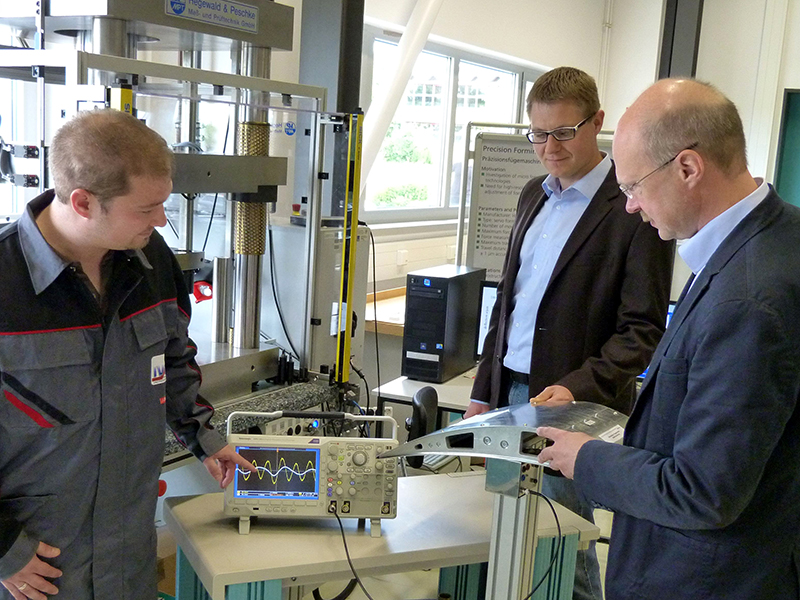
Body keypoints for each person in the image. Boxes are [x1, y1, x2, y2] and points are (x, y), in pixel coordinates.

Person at [538, 78, 800, 600]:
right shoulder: (775, 236)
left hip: (707, 577)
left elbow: (702, 491)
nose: (630, 206)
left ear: (687, 168)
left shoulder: (747, 301)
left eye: (633, 186)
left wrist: (586, 458)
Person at [0, 109, 255, 600]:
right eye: (146, 209)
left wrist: (205, 438)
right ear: (83, 202)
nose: (161, 220)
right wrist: (4, 552)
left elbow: (174, 359)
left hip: (127, 557)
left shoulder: (151, 261)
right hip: (34, 569)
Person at [466, 66, 675, 600]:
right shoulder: (532, 195)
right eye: (538, 134)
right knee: (507, 534)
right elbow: (507, 304)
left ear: (597, 122)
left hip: (571, 408)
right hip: (509, 397)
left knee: (562, 545)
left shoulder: (633, 206)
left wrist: (576, 387)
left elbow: (642, 331)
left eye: (563, 132)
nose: (549, 148)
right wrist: (482, 391)